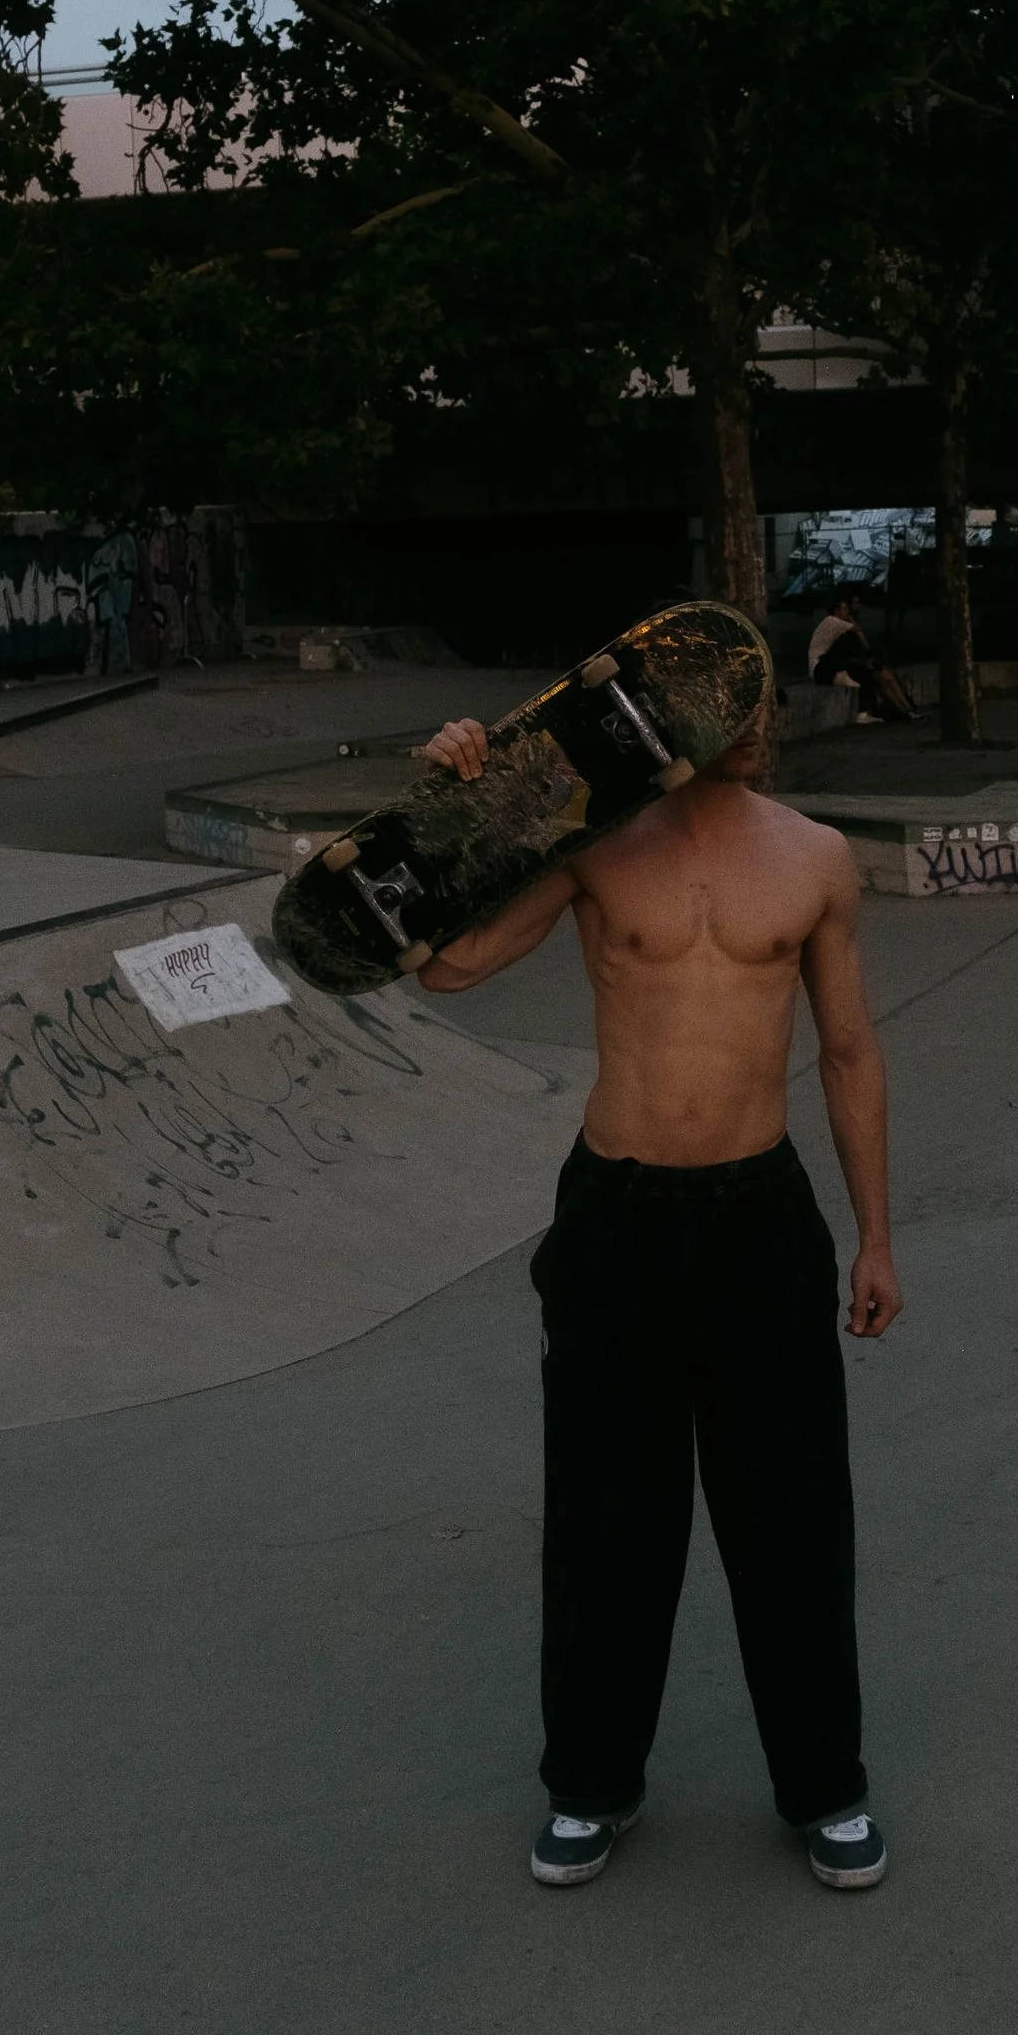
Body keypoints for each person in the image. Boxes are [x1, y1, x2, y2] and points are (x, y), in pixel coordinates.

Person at [414, 697, 902, 1893]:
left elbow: (847, 1049)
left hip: (759, 1221)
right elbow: (449, 963)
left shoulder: (814, 856)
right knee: (604, 1517)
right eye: (724, 702)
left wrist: (876, 1237)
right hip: (617, 1221)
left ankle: (824, 1785)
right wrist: (452, 808)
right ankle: (590, 1783)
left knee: (790, 1517)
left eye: (762, 695)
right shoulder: (595, 840)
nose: (754, 722)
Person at [804, 587, 918, 725]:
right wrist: (868, 651)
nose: (848, 612)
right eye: (845, 610)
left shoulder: (837, 626)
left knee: (875, 676)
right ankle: (895, 712)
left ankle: (906, 711)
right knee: (871, 675)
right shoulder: (832, 622)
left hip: (827, 666)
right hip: (822, 668)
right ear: (836, 612)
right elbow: (859, 634)